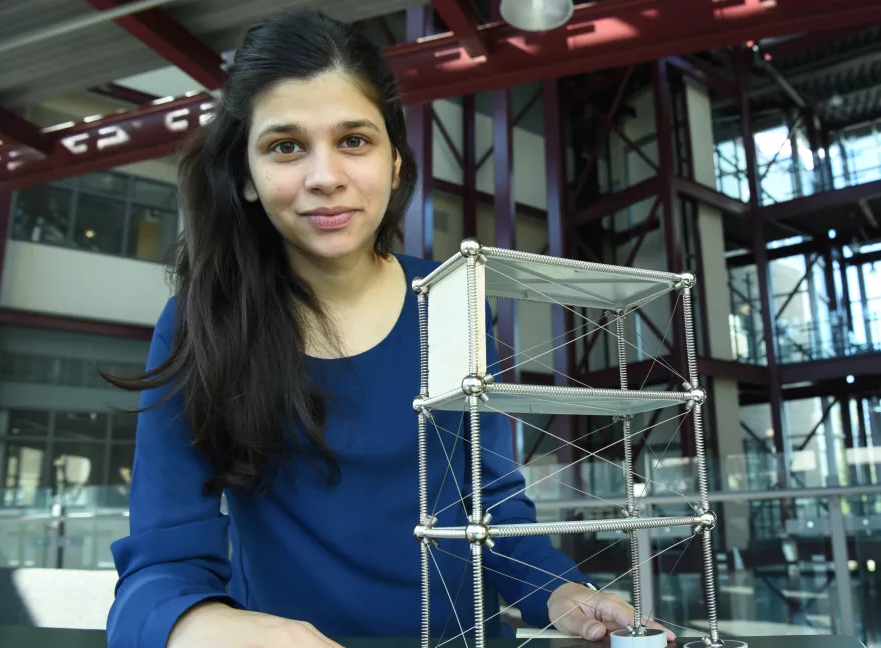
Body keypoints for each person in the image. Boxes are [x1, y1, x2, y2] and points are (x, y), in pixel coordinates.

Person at [103, 10, 675, 648]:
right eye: (285, 146)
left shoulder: (454, 302)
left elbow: (491, 507)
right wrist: (217, 630)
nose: (325, 177)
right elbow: (159, 571)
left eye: (354, 140)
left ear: (396, 163)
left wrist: (560, 594)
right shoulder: (197, 324)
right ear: (245, 178)